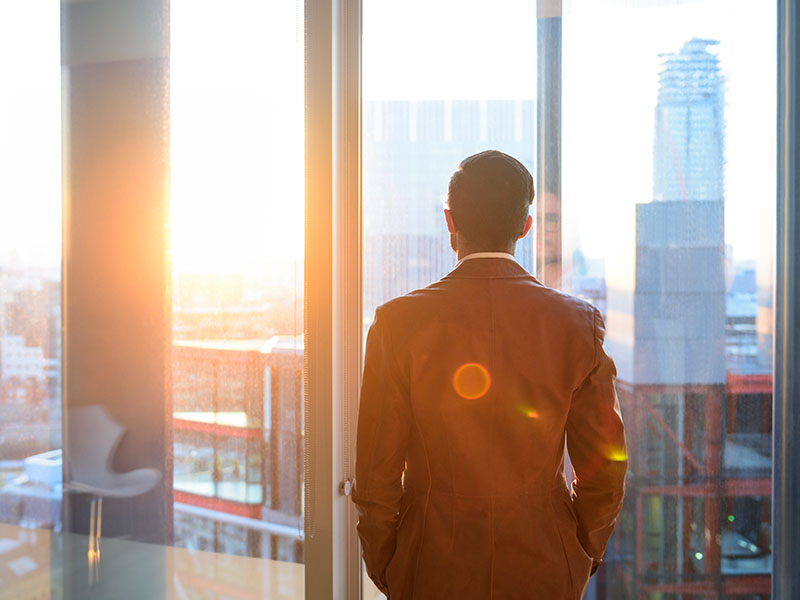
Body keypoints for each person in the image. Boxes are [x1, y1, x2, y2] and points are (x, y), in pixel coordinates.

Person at [353, 150, 627, 599]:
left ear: (450, 221)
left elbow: (376, 476)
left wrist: (390, 565)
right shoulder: (577, 325)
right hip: (544, 568)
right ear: (525, 226)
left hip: (430, 566)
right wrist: (579, 551)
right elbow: (605, 472)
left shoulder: (397, 325)